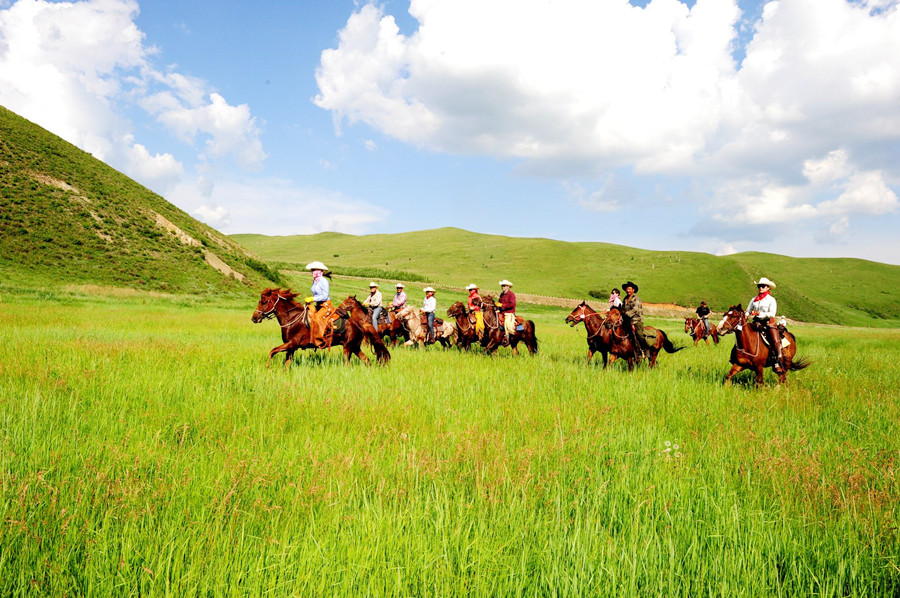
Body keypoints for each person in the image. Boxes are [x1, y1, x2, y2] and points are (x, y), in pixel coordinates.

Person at [745, 277, 784, 373]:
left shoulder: (771, 300)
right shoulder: (754, 299)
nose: (760, 288)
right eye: (759, 286)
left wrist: (759, 314)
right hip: (755, 323)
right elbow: (748, 310)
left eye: (763, 286)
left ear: (768, 288)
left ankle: (776, 362)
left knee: (775, 340)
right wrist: (746, 314)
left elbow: (772, 314)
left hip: (768, 323)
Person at [305, 261, 333, 349]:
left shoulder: (323, 281)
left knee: (317, 318)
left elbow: (324, 296)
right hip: (318, 304)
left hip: (325, 305)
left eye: (314, 270)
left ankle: (319, 340)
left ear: (319, 271)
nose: (313, 272)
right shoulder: (315, 281)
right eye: (312, 270)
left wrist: (313, 299)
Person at [622, 281, 649, 358]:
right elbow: (623, 308)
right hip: (627, 320)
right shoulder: (625, 299)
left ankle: (645, 350)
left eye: (629, 289)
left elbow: (635, 309)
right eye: (627, 289)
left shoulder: (636, 298)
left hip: (636, 320)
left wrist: (626, 314)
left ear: (633, 290)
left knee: (639, 334)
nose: (628, 290)